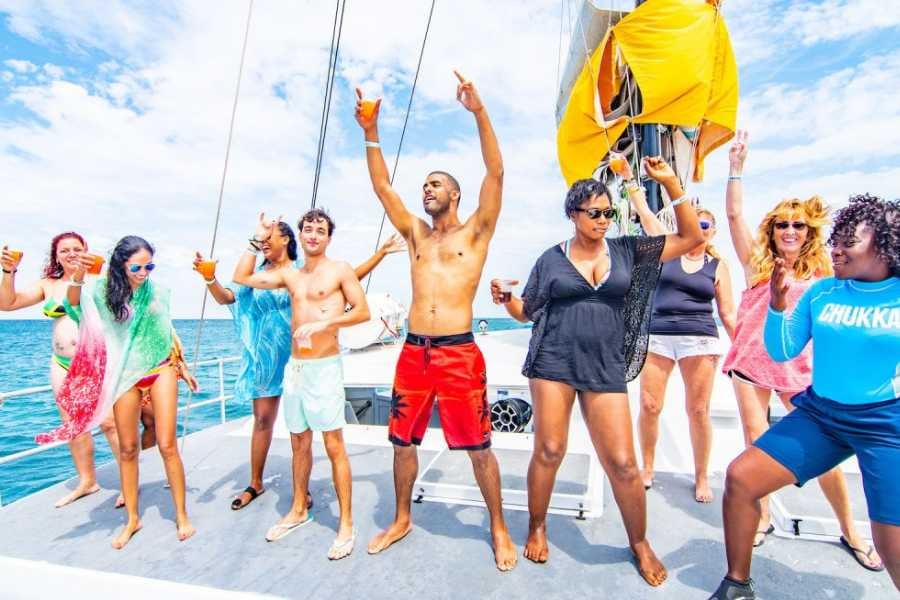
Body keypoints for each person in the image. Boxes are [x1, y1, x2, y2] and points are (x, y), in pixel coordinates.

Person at [492, 157, 702, 586]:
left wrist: (671, 184)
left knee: (623, 464)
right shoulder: (550, 260)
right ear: (573, 215)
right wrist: (504, 301)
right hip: (553, 361)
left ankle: (639, 543)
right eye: (595, 213)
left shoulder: (628, 249)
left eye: (608, 212)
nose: (604, 220)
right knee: (550, 449)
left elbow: (690, 236)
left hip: (604, 364)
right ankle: (536, 525)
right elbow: (527, 312)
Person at [355, 70, 518, 571]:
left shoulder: (475, 233)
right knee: (401, 442)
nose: (426, 189)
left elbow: (496, 174)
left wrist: (479, 111)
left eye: (436, 184)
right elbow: (383, 187)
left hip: (458, 354)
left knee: (478, 447)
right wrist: (371, 132)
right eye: (424, 184)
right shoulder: (416, 237)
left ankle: (497, 527)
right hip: (412, 353)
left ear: (455, 195)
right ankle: (402, 517)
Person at [709, 194, 900, 598]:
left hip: (886, 425)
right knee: (741, 479)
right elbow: (781, 351)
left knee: (891, 545)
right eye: (837, 238)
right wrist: (777, 305)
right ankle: (737, 586)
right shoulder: (823, 291)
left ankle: (853, 532)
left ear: (884, 245)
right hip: (822, 415)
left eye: (850, 240)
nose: (837, 246)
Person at [720, 131, 878, 565]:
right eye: (781, 224)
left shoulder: (827, 271)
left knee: (822, 455)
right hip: (752, 366)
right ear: (771, 231)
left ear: (809, 232)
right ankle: (764, 516)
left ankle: (850, 529)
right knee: (756, 443)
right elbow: (733, 217)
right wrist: (735, 169)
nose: (789, 230)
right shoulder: (758, 265)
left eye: (798, 225)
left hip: (801, 371)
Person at [194, 222, 404, 511]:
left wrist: (380, 253)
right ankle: (255, 482)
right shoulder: (260, 274)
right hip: (267, 356)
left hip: (305, 353)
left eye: (269, 238)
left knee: (313, 430)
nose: (264, 243)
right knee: (263, 420)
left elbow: (348, 278)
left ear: (286, 240)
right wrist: (209, 279)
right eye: (260, 240)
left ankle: (301, 492)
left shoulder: (302, 268)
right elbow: (226, 296)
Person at [35, 236, 198, 549]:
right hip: (124, 375)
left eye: (149, 265)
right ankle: (133, 519)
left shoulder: (159, 291)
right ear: (121, 264)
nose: (144, 272)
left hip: (160, 369)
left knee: (167, 444)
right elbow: (71, 303)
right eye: (137, 266)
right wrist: (79, 277)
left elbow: (166, 330)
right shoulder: (101, 291)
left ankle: (181, 515)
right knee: (126, 449)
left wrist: (183, 367)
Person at [233, 210, 370, 560]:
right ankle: (298, 508)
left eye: (320, 230)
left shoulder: (339, 269)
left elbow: (362, 311)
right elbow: (241, 276)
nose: (313, 234)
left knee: (334, 444)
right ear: (300, 234)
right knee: (298, 442)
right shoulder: (290, 276)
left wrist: (326, 325)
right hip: (295, 369)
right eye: (307, 229)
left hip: (324, 367)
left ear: (328, 237)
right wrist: (257, 235)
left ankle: (346, 524)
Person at [623, 163, 737, 503]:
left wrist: (743, 346)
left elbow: (728, 312)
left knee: (698, 410)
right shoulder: (666, 250)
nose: (699, 228)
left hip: (699, 340)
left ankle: (701, 476)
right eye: (694, 223)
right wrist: (629, 179)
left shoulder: (717, 266)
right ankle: (647, 467)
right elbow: (644, 212)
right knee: (649, 404)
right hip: (658, 337)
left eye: (705, 224)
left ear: (712, 232)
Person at [0, 233, 126, 508]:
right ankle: (87, 481)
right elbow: (7, 304)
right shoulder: (48, 285)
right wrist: (9, 271)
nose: (70, 254)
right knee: (73, 425)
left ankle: (129, 482)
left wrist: (91, 273)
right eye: (64, 250)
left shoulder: (99, 281)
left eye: (76, 249)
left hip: (94, 360)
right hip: (61, 364)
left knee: (109, 423)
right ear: (55, 256)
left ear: (86, 251)